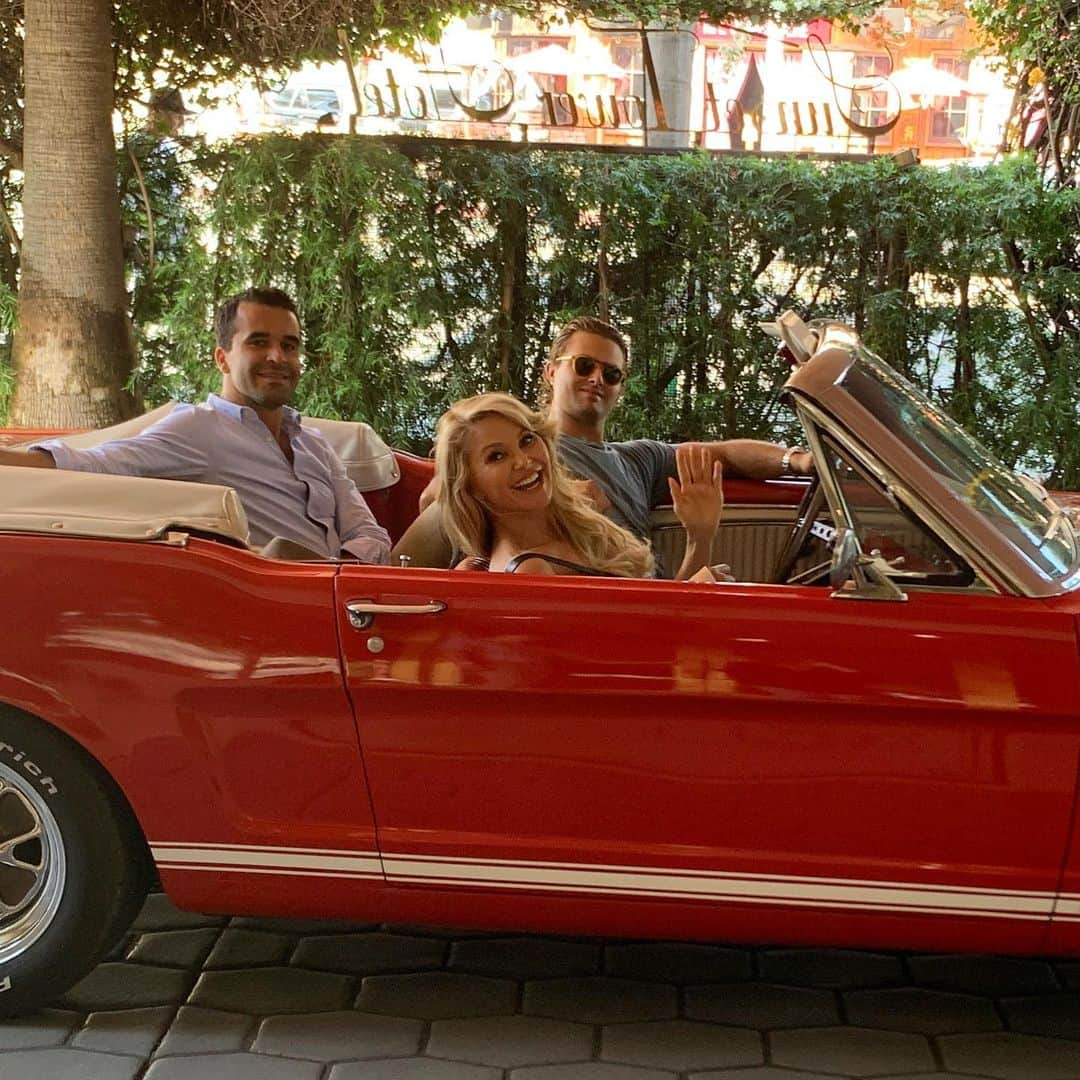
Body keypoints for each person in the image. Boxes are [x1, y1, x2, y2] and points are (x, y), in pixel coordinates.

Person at [0, 287, 391, 563]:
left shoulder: (313, 442)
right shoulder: (198, 429)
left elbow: (371, 535)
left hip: (344, 593)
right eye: (258, 343)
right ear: (222, 359)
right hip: (280, 605)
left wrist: (340, 566)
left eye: (289, 345)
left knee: (443, 507)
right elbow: (97, 463)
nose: (278, 356)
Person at [398, 315, 812, 572]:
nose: (597, 379)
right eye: (583, 365)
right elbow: (443, 498)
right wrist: (559, 501)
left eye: (611, 374)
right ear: (550, 372)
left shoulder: (637, 458)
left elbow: (721, 454)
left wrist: (800, 460)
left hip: (646, 606)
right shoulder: (518, 465)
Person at [434, 392, 724, 579]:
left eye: (526, 440)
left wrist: (699, 535)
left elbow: (657, 618)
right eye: (496, 456)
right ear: (471, 486)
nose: (524, 461)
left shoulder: (577, 519)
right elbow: (648, 648)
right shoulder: (530, 571)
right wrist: (701, 556)